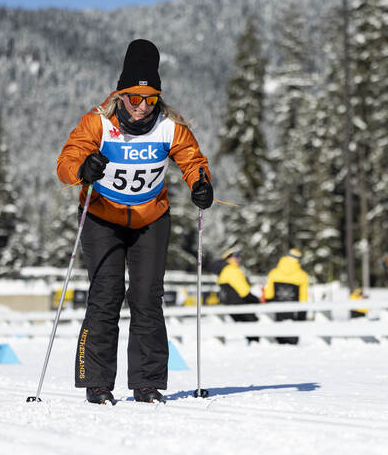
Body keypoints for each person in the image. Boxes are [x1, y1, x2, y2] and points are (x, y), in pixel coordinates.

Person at [56, 39, 213, 405]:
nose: (142, 108)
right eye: (134, 98)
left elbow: (193, 160)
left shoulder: (169, 127)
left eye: (150, 99)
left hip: (150, 219)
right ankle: (96, 382)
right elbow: (65, 163)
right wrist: (82, 169)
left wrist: (201, 184)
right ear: (121, 94)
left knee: (146, 297)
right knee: (106, 294)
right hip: (101, 218)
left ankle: (147, 383)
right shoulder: (97, 122)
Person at [264, 248, 309, 345]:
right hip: (293, 312)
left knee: (279, 340)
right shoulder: (302, 275)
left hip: (278, 312)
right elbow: (303, 297)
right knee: (292, 342)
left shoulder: (274, 273)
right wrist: (303, 315)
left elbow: (268, 294)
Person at [216, 248, 260, 343]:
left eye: (239, 256)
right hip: (239, 304)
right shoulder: (231, 270)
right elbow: (244, 292)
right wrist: (257, 300)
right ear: (228, 258)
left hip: (232, 304)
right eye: (236, 256)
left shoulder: (225, 270)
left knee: (248, 329)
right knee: (253, 328)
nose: (238, 259)